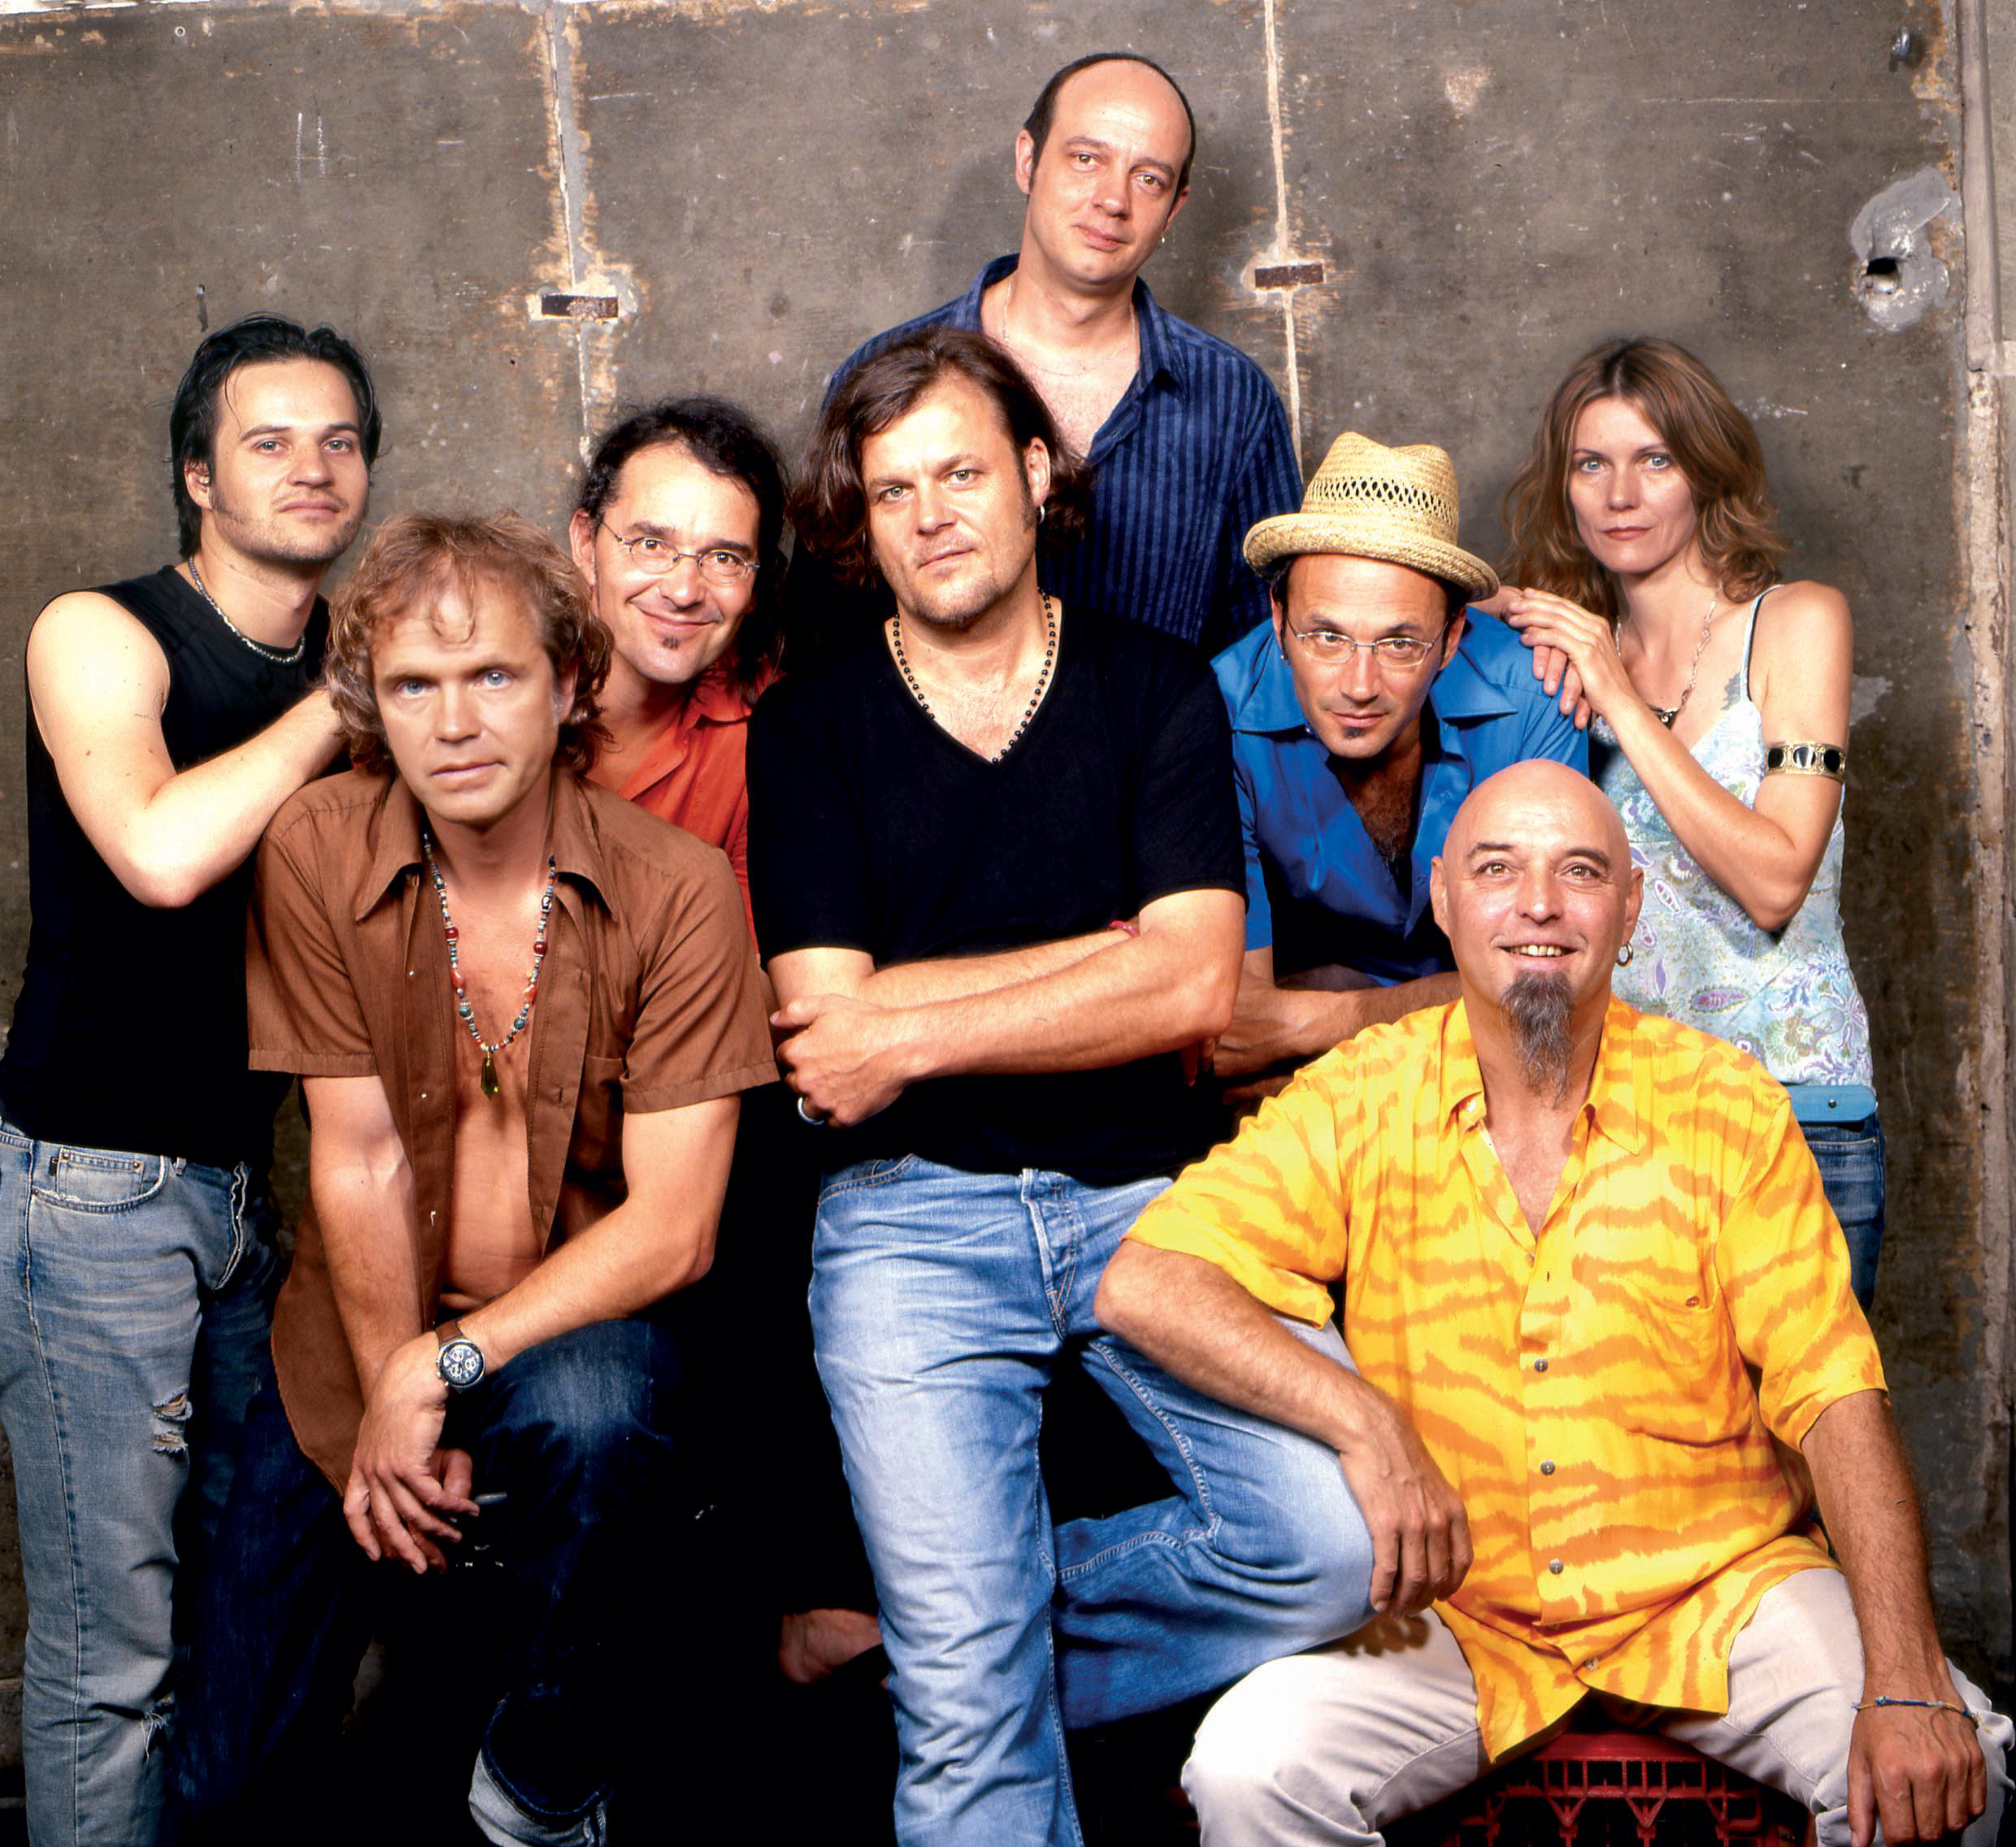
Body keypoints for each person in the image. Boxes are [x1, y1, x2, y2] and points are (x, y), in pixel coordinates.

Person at [1097, 761, 2010, 1847]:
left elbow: (1835, 1394)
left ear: (1629, 909)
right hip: (1456, 1611)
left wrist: (1904, 1681)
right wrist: (1364, 1421)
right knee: (1251, 1769)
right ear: (1444, 899)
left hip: (1718, 1589)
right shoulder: (1359, 1092)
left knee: (1952, 1772)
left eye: (1579, 872)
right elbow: (1148, 1280)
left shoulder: (1725, 1105)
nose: (1538, 903)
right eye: (1498, 870)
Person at [749, 325, 1375, 1845]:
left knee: (1336, 1543)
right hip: (909, 1219)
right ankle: (957, 1662)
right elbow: (825, 1038)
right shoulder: (813, 722)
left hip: (1151, 1203)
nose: (931, 516)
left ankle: (945, 1644)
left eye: (961, 473)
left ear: (1036, 474)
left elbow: (1193, 989)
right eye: (893, 491)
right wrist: (1099, 961)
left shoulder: (1154, 687)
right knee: (969, 1725)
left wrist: (913, 1017)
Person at [166, 513, 774, 1845]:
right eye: (413, 685)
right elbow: (359, 1151)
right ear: (371, 705)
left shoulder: (676, 890)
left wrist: (443, 1366)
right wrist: (392, 1378)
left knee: (604, 1408)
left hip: (570, 1340)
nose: (453, 722)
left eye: (493, 675)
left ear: (569, 684)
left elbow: (676, 1228)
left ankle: (543, 1786)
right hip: (350, 1341)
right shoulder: (320, 844)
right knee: (222, 1790)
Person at [0, 312, 374, 1845]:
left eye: (340, 441)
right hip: (94, 1191)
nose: (312, 467)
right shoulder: (100, 633)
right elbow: (158, 853)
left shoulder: (349, 660)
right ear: (199, 478)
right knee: (113, 1658)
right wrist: (344, 705)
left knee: (245, 1607)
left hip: (241, 1198)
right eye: (269, 441)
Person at [1494, 337, 1883, 1306]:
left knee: (1809, 1413)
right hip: (1621, 1122)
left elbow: (1774, 880)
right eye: (1590, 464)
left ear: (1705, 471)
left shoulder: (1794, 622)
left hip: (1796, 1115)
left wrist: (1617, 697)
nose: (1619, 495)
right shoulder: (1557, 662)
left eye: (1653, 460)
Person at [820, 51, 1301, 654]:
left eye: (1148, 178)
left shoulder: (1234, 399)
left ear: (1174, 208)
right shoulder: (878, 372)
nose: (1113, 200)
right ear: (1028, 161)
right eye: (1086, 159)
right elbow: (828, 640)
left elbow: (1268, 652)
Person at [1212, 431, 1586, 1086]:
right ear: (1277, 617)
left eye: (1400, 644)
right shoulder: (1220, 713)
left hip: (1490, 1069)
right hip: (1331, 1071)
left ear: (1452, 637)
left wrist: (1328, 1014)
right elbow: (1233, 1029)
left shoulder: (1535, 694)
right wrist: (1434, 999)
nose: (1359, 686)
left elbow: (1547, 983)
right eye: (1326, 636)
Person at [568, 395, 789, 928]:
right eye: (650, 544)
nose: (684, 590)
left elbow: (743, 960)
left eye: (725, 558)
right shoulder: (488, 681)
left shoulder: (779, 729)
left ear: (757, 586)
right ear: (585, 544)